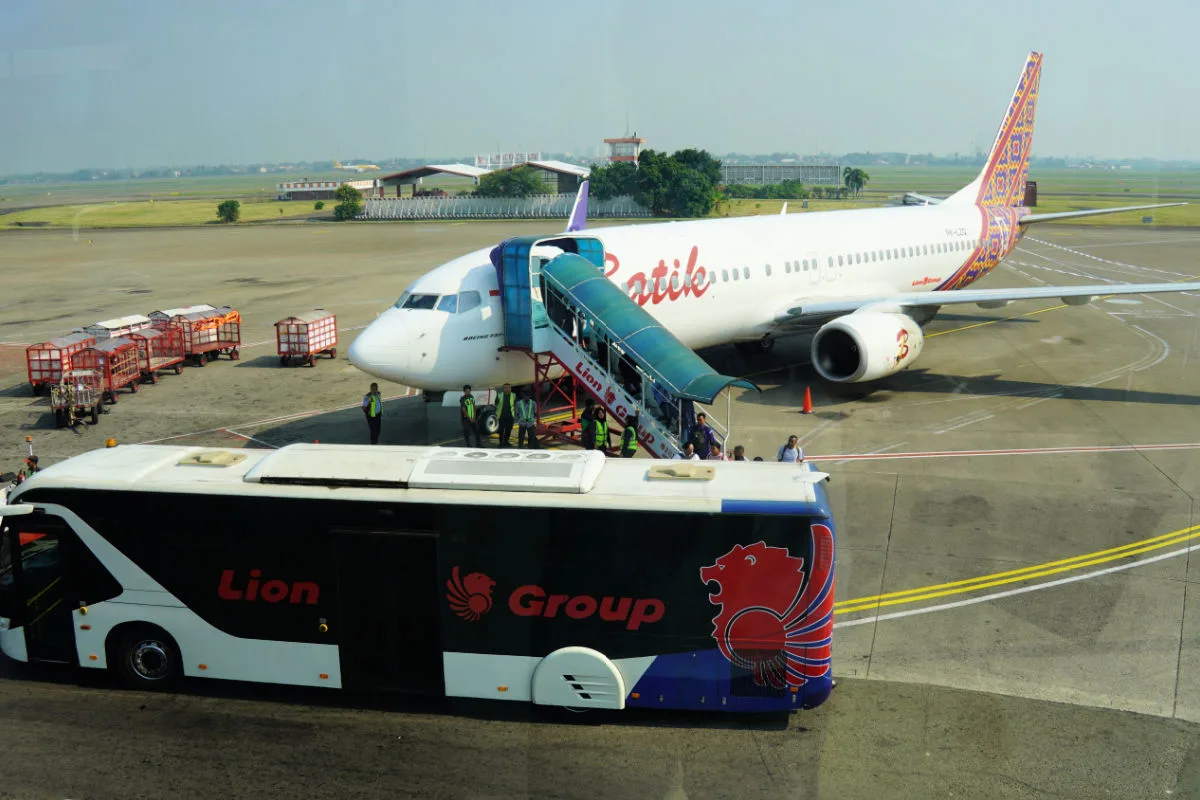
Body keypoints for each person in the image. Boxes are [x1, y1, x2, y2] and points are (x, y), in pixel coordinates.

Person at [495, 383, 517, 448]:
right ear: (503, 389)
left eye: (508, 387)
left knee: (508, 430)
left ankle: (506, 442)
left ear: (510, 388)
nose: (507, 389)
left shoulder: (514, 395)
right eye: (505, 387)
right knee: (501, 431)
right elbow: (496, 403)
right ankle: (501, 443)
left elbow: (514, 404)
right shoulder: (499, 395)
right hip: (501, 416)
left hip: (510, 416)